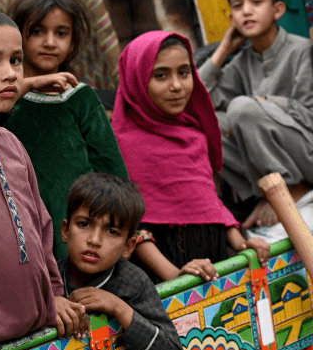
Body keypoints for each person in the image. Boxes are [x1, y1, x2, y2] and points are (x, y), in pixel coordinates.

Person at [0, 7, 87, 350]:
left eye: (16, 61)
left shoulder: (11, 144)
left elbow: (42, 232)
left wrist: (55, 296)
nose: (10, 74)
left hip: (39, 327)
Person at [113, 31, 270, 282]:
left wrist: (243, 245)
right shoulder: (121, 147)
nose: (176, 85)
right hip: (162, 276)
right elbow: (133, 226)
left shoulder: (195, 135)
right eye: (161, 75)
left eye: (184, 73)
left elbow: (210, 204)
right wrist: (175, 276)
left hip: (213, 262)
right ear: (137, 80)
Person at [3, 0, 129, 261]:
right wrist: (27, 85)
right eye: (37, 31)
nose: (49, 42)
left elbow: (112, 170)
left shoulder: (80, 98)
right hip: (22, 225)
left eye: (61, 33)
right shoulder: (3, 99)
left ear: (72, 42)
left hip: (82, 228)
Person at [199, 0, 313, 239]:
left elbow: (309, 117)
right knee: (205, 123)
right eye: (238, 6)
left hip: (307, 153)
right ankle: (266, 193)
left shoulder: (302, 51)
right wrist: (224, 49)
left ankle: (292, 190)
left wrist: (261, 104)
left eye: (256, 2)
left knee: (241, 109)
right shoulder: (242, 62)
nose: (246, 11)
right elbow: (197, 101)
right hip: (269, 168)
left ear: (278, 10)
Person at [58, 173, 186, 350]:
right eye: (84, 224)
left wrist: (119, 308)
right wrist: (49, 306)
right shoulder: (48, 278)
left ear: (128, 246)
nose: (94, 240)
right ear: (65, 230)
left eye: (111, 231)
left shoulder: (133, 282)